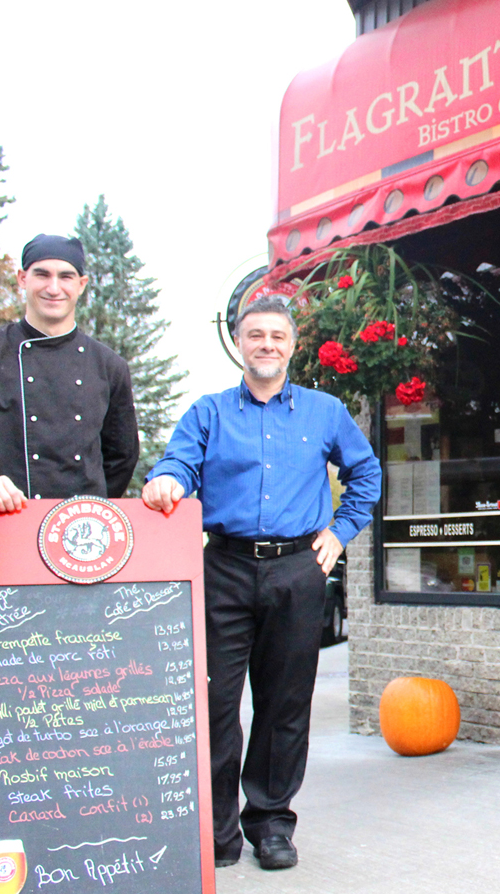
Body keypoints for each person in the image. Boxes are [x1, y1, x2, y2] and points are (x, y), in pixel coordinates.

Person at [142, 295, 380, 871]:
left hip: (299, 571)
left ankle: (271, 824)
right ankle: (218, 831)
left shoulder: (325, 412)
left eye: (277, 335)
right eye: (255, 335)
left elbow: (366, 473)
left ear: (292, 345)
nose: (266, 344)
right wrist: (166, 483)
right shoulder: (209, 412)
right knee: (217, 704)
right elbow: (177, 463)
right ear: (238, 343)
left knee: (283, 706)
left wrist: (341, 532)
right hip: (222, 569)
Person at [0, 234, 139, 893]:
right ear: (22, 278)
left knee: (77, 713)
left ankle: (71, 843)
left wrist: (79, 522)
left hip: (77, 564)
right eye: (42, 274)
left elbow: (119, 459)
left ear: (84, 284)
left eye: (66, 276)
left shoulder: (109, 365)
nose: (54, 286)